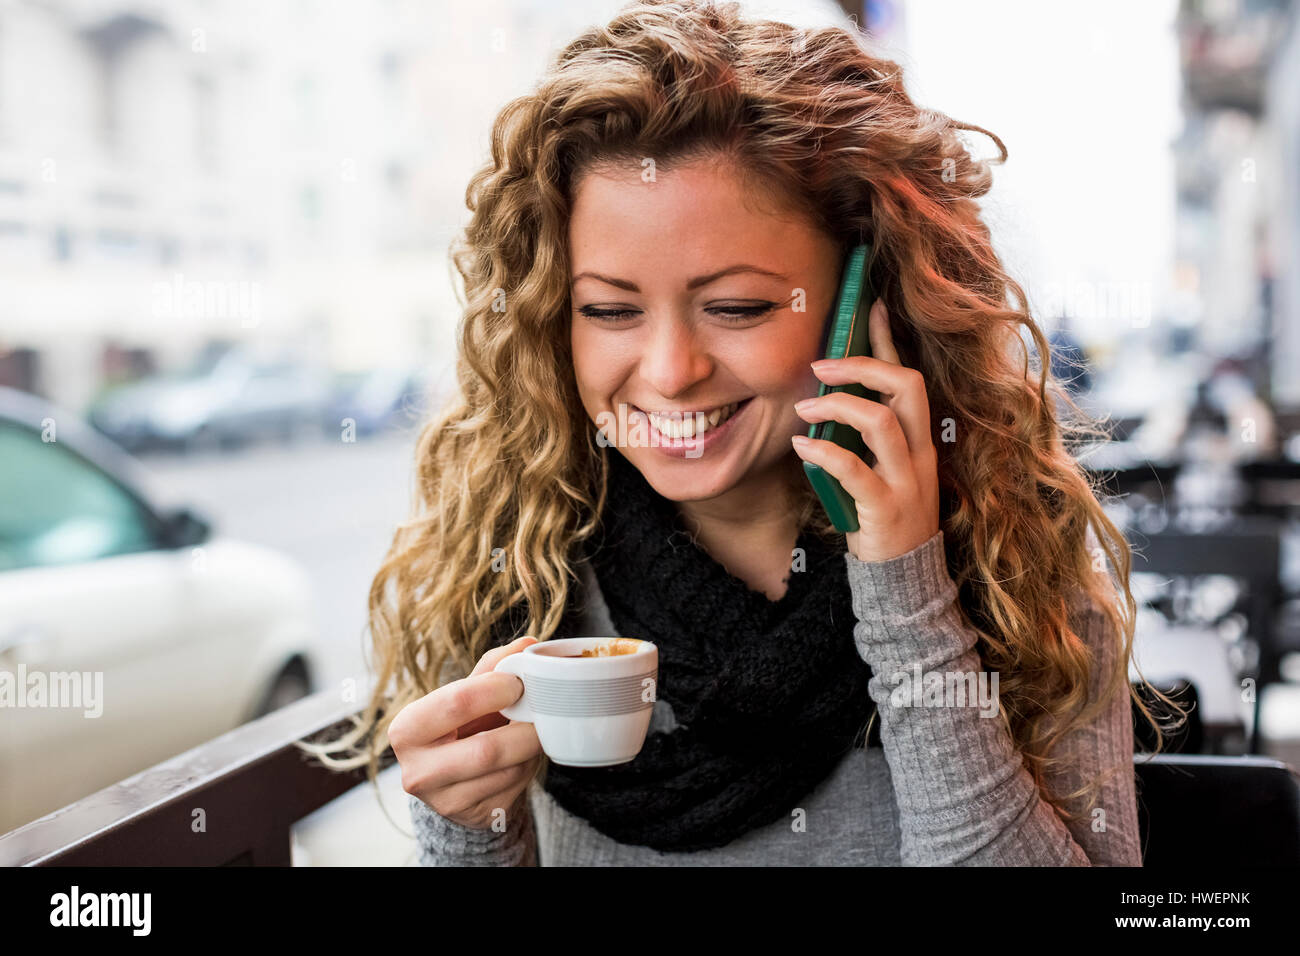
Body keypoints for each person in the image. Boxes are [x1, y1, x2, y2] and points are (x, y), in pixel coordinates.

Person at [305, 0, 1175, 865]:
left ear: (866, 304)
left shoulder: (1016, 559)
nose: (671, 369)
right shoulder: (514, 559)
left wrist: (910, 593)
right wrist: (467, 829)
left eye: (737, 307)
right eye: (609, 309)